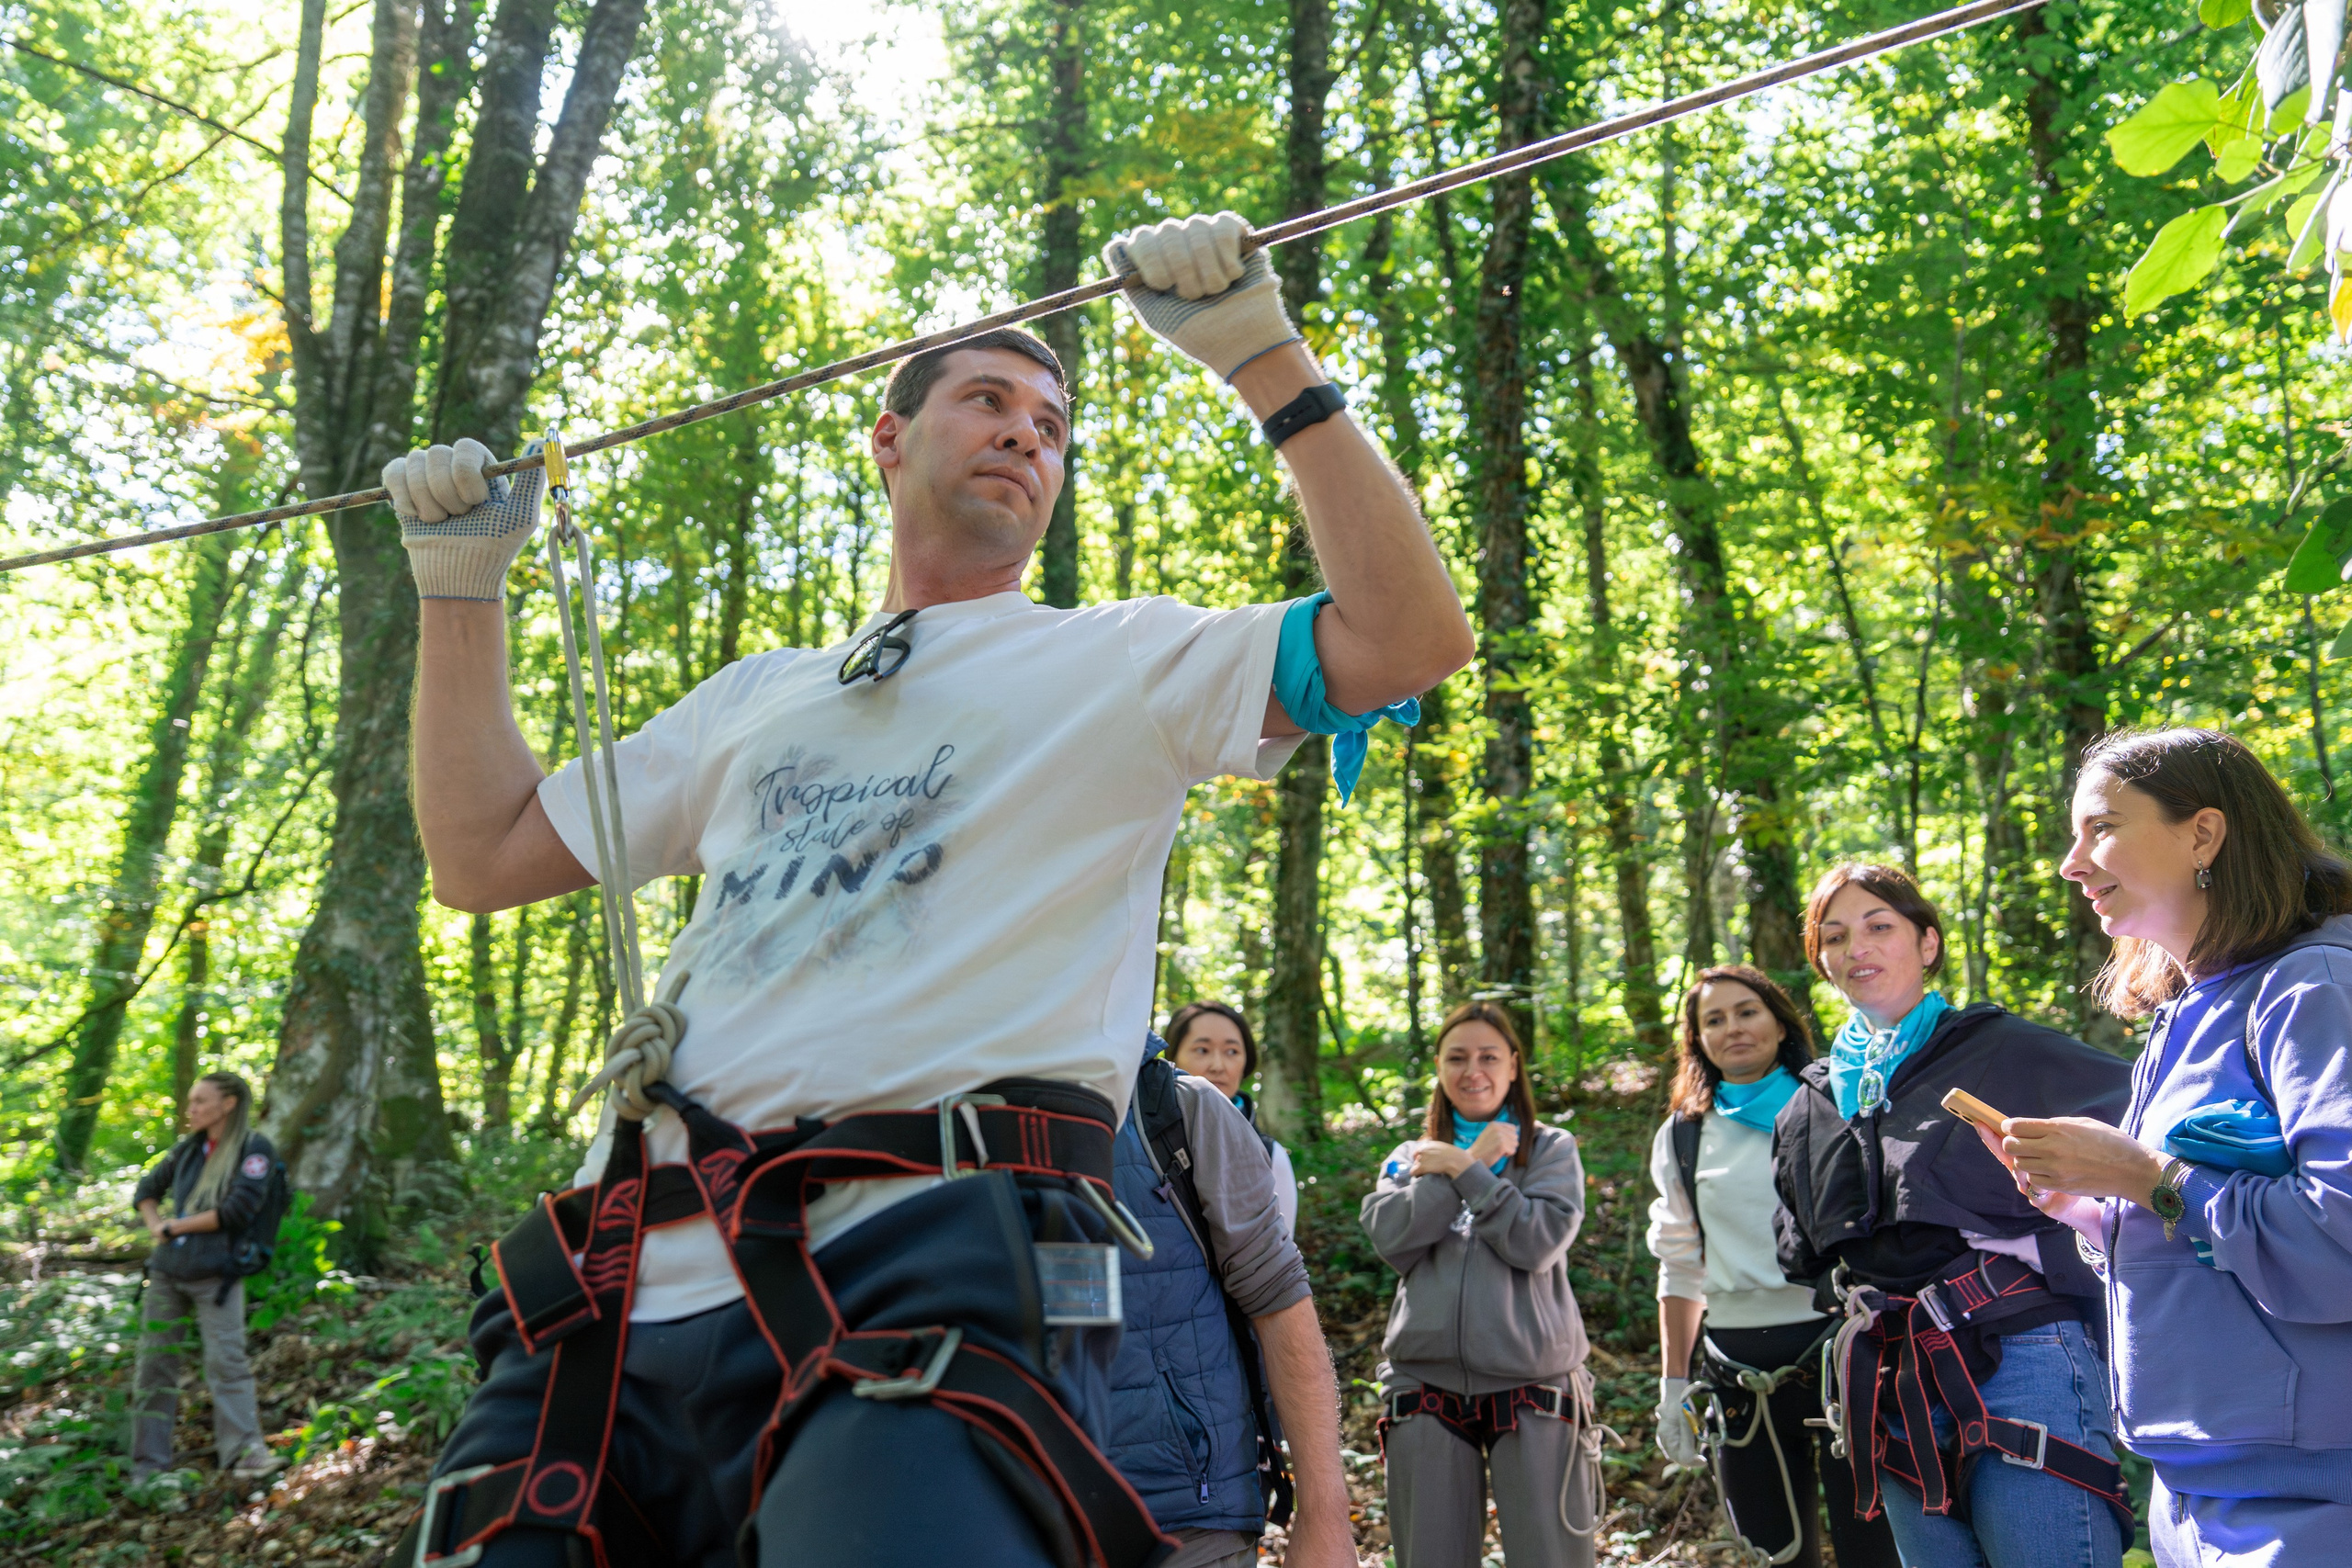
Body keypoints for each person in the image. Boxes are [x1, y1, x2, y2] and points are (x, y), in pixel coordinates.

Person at [395, 209, 1469, 1568]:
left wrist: (1261, 354)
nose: (1030, 431)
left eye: (1053, 421)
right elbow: (482, 853)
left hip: (939, 1268)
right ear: (890, 439)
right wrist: (459, 586)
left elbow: (1409, 635)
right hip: (620, 1285)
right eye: (988, 399)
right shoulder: (756, 697)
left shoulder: (1122, 663)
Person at [1993, 728, 2352, 1567]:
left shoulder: (2316, 986)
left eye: (2101, 827)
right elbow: (2198, 1233)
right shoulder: (2187, 1011)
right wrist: (2090, 1205)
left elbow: (2340, 1240)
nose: (2070, 862)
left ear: (2204, 832)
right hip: (2188, 1493)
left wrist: (2141, 1172)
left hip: (2311, 1502)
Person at [1774, 862, 2134, 1568]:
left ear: (1928, 943)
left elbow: (2149, 1113)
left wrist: (2064, 1238)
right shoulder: (1810, 1103)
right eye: (1836, 935)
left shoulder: (2001, 1049)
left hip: (2022, 1356)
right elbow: (1804, 1255)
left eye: (1881, 926)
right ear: (1820, 960)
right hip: (1891, 1378)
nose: (1858, 949)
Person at [1644, 964, 1898, 1568]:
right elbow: (1679, 1266)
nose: (1732, 1027)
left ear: (1781, 1022)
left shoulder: (1842, 1103)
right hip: (1738, 1367)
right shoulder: (1683, 1135)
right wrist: (1672, 1385)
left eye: (1747, 1011)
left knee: (1878, 1551)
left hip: (1843, 1355)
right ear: (1697, 1040)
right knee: (1770, 1554)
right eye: (1714, 1019)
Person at [1360, 1001, 1598, 1568]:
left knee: (1552, 1558)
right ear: (1438, 1068)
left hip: (1534, 1382)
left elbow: (1537, 1243)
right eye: (1457, 1058)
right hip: (1425, 1386)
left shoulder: (1550, 1149)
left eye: (1489, 1057)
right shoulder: (1409, 1158)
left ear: (1514, 1065)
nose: (1474, 1071)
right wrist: (1462, 1162)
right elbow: (1392, 1239)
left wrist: (1464, 1169)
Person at [1105, 1032, 1331, 1567]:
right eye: (1204, 1046)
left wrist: (1323, 1518)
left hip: (1189, 1517)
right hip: (995, 1518)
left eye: (1232, 1049)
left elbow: (1277, 1298)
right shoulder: (930, 1104)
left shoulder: (1176, 1110)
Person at [129, 1070, 282, 1485]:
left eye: (200, 1101)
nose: (190, 1108)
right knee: (154, 1367)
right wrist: (156, 1224)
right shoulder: (189, 1150)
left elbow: (237, 1211)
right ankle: (148, 1466)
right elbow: (146, 1188)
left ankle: (245, 1454)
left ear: (228, 1104)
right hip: (167, 1273)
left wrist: (175, 1228)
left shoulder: (254, 1149)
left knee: (227, 1362)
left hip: (218, 1277)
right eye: (191, 1100)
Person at [1162, 1001, 1297, 1235]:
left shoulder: (1269, 1155)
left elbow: (1280, 1256)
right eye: (1202, 1050)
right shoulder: (1142, 1141)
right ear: (1172, 1058)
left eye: (1232, 1052)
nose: (1218, 1066)